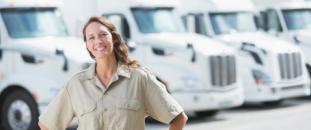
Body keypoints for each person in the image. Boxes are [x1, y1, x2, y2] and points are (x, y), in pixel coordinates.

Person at [38, 16, 188, 130]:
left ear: (114, 38)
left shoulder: (139, 79)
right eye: (91, 37)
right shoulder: (76, 85)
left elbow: (178, 118)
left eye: (103, 34)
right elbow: (46, 125)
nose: (98, 41)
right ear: (87, 46)